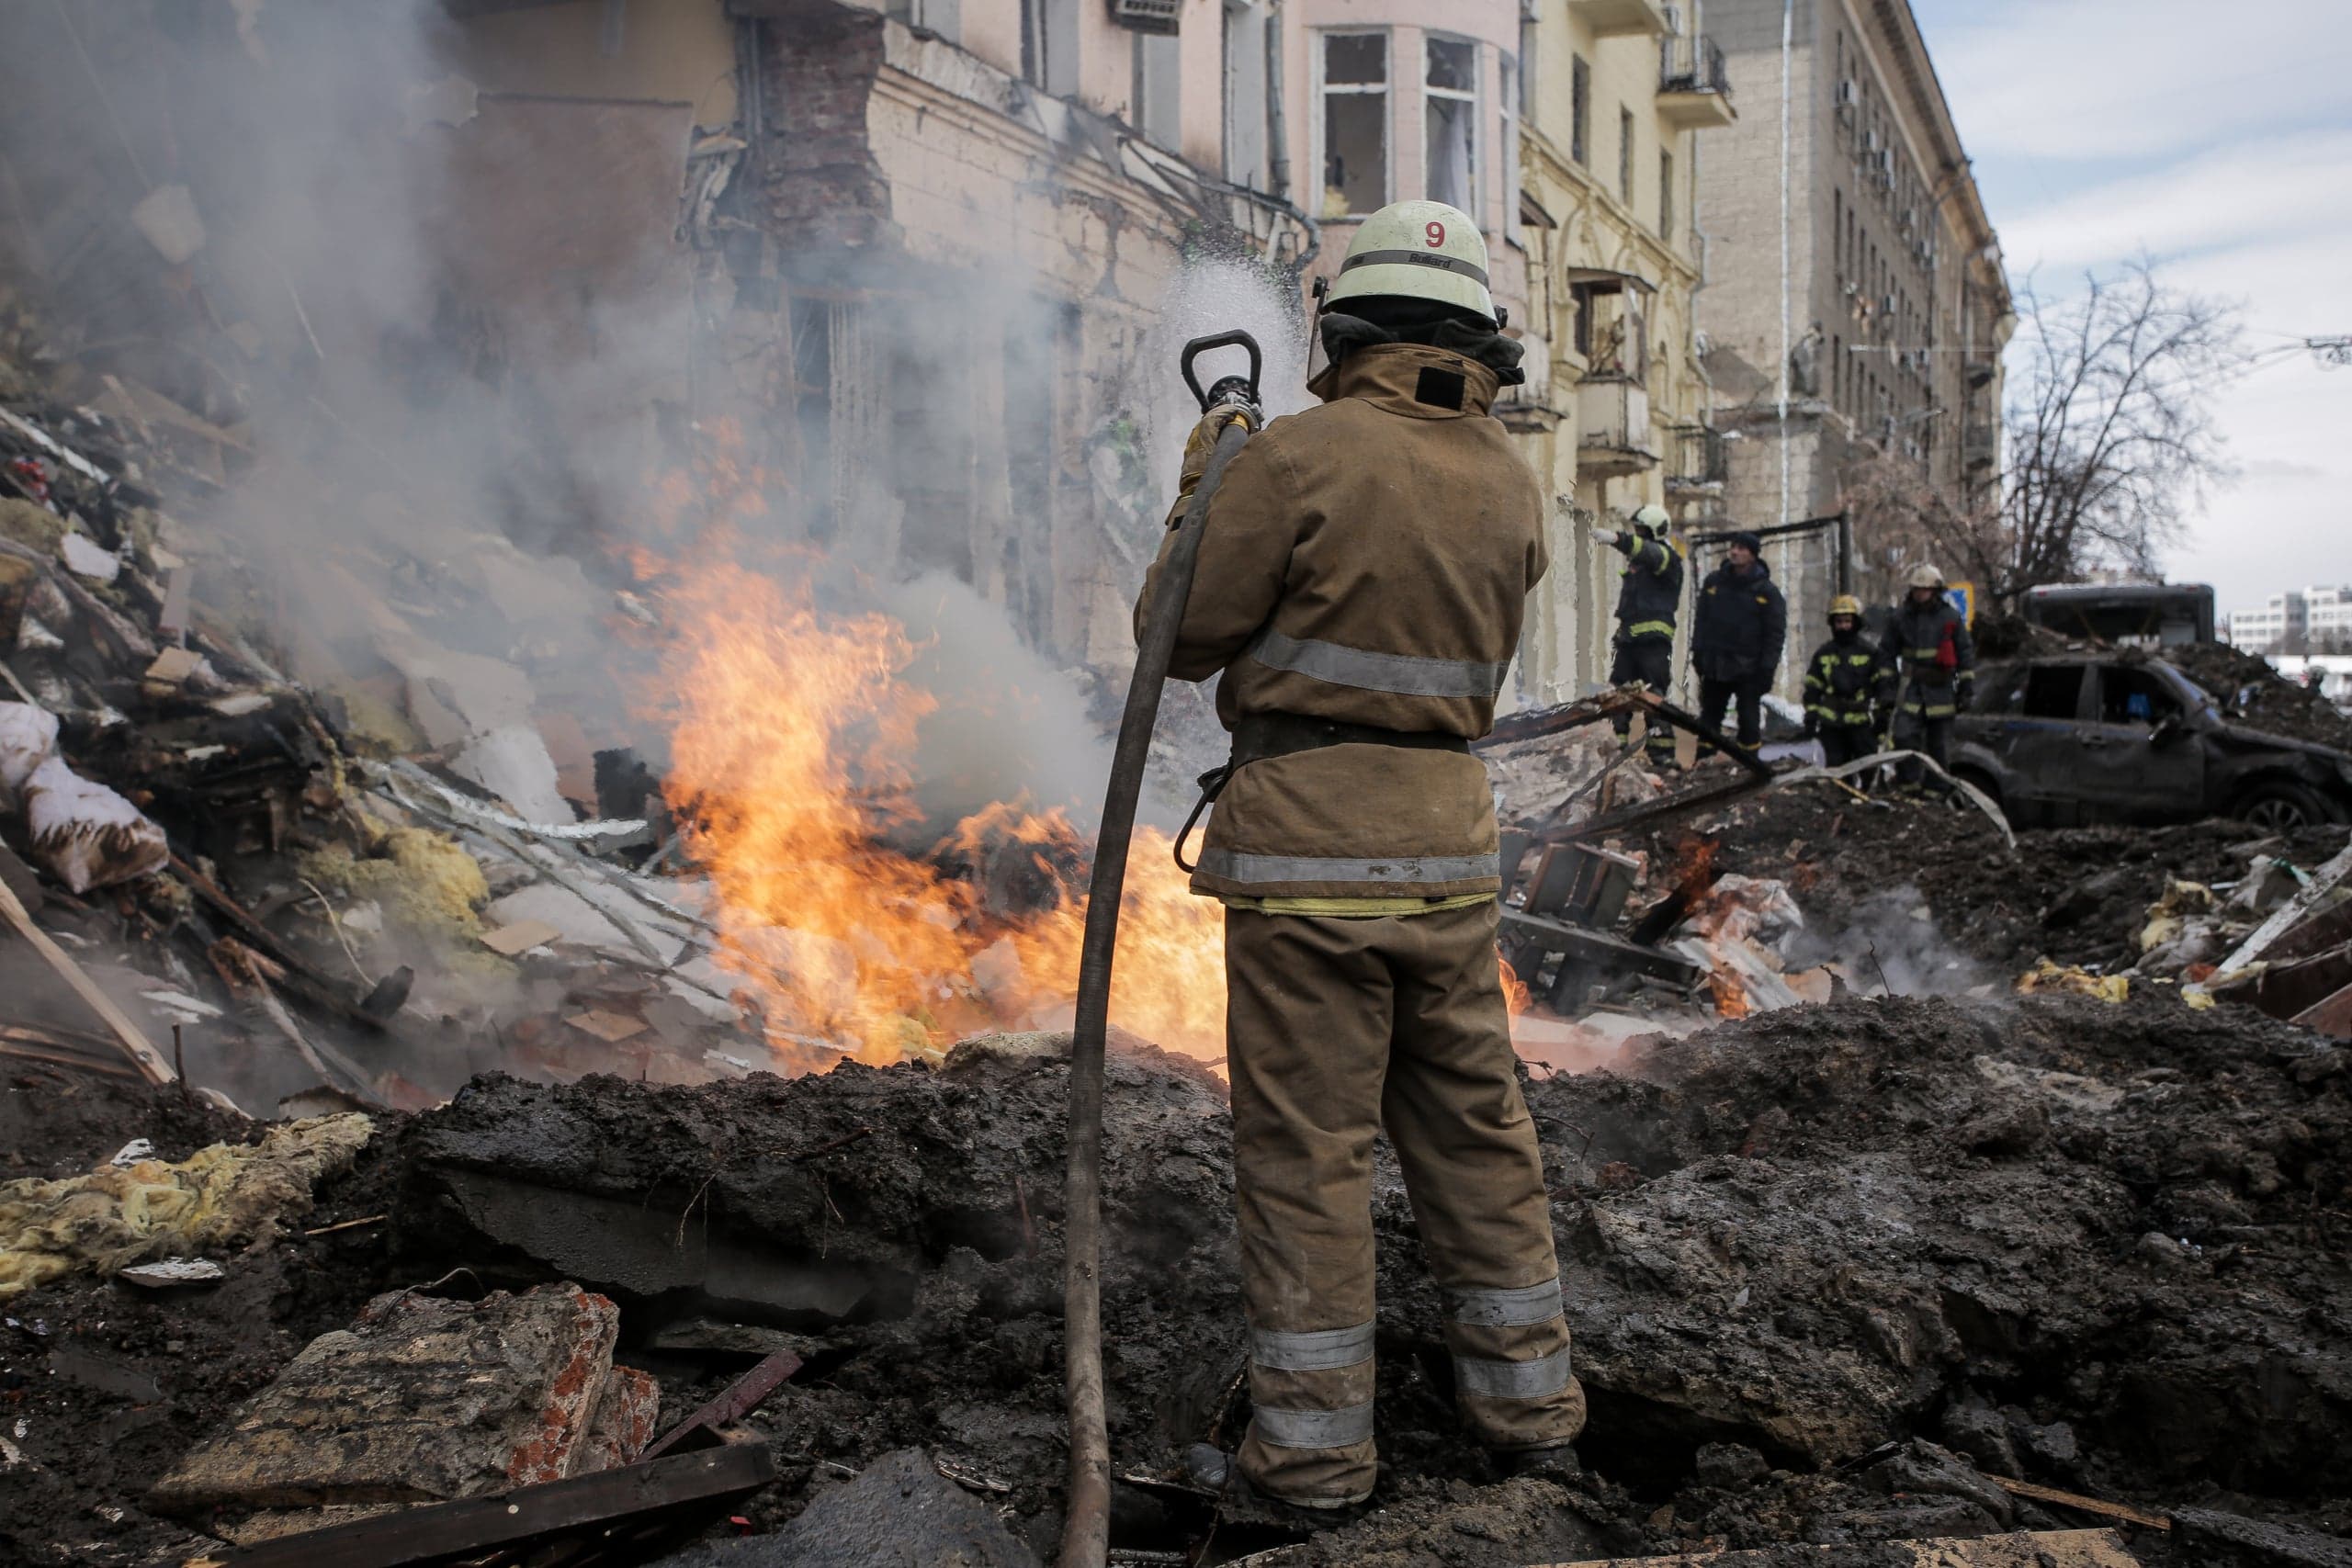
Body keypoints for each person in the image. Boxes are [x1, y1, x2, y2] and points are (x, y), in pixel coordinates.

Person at [1141, 199, 1584, 1513]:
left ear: (1343, 332)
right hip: (1448, 858)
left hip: (1310, 863)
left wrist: (1211, 467)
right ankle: (1531, 1406)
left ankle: (1316, 1459)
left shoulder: (1295, 456)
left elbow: (1178, 632)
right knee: (1478, 1134)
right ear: (1478, 349)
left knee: (1309, 1156)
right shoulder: (1511, 479)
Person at [1595, 503, 1684, 768]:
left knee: (1653, 695)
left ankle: (1662, 754)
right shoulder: (1640, 566)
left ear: (1656, 531)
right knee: (1618, 693)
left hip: (1653, 643)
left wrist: (1617, 539)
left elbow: (1648, 551)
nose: (1640, 534)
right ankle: (1616, 747)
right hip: (1630, 641)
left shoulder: (1666, 558)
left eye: (1643, 530)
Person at [1876, 563, 1975, 788]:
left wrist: (1966, 689)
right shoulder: (1900, 618)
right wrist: (1888, 690)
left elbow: (1965, 654)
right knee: (1902, 736)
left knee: (1938, 746)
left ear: (1936, 590)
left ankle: (1936, 792)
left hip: (1941, 691)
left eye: (1925, 589)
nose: (1920, 594)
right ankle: (1909, 785)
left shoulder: (1951, 617)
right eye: (1916, 589)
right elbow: (1886, 654)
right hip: (1910, 689)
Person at [1690, 530, 1787, 753]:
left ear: (1753, 555)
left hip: (1749, 668)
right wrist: (1699, 653)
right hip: (1716, 665)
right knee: (1710, 717)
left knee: (1749, 719)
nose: (1734, 552)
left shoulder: (1767, 592)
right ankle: (1703, 763)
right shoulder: (1714, 583)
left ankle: (1750, 767)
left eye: (1741, 548)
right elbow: (1701, 621)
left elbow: (1775, 634)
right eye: (1733, 547)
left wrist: (1767, 668)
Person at [1802, 594, 1883, 766]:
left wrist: (1882, 717)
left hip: (1861, 722)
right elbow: (1813, 687)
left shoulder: (1869, 652)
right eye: (1839, 621)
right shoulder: (1824, 653)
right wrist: (1811, 717)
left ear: (1856, 622)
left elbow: (1882, 686)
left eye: (1847, 621)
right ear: (1833, 623)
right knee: (1836, 768)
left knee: (1868, 766)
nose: (1843, 626)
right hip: (1831, 724)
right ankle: (1840, 793)